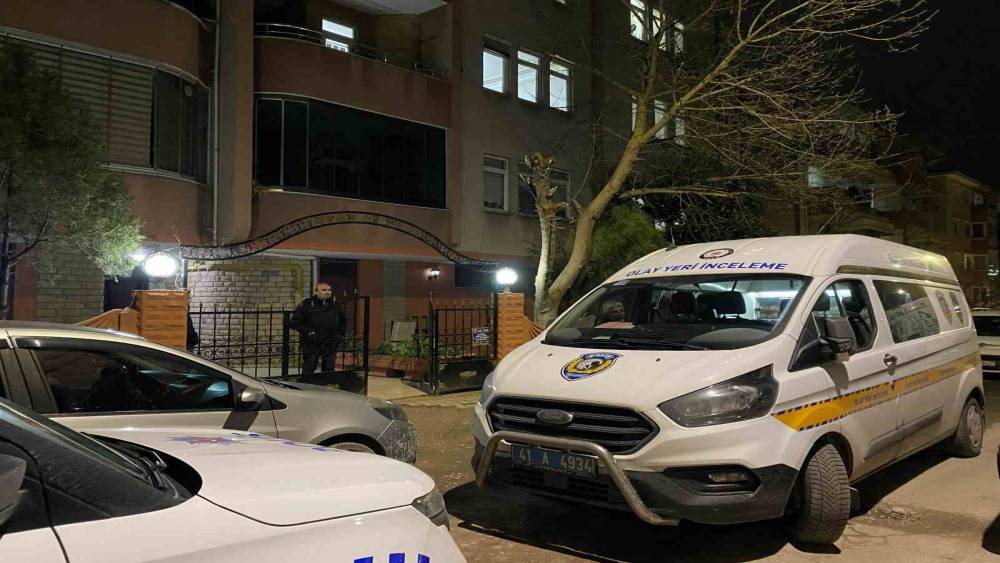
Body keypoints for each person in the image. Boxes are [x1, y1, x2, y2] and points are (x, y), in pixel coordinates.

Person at [289, 282, 346, 374]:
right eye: (324, 290)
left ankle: (326, 383)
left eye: (329, 290)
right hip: (312, 342)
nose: (327, 292)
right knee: (309, 367)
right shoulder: (307, 304)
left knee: (329, 368)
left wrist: (340, 335)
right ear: (316, 292)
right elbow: (294, 322)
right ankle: (307, 383)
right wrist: (309, 332)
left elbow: (342, 321)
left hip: (330, 342)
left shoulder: (334, 305)